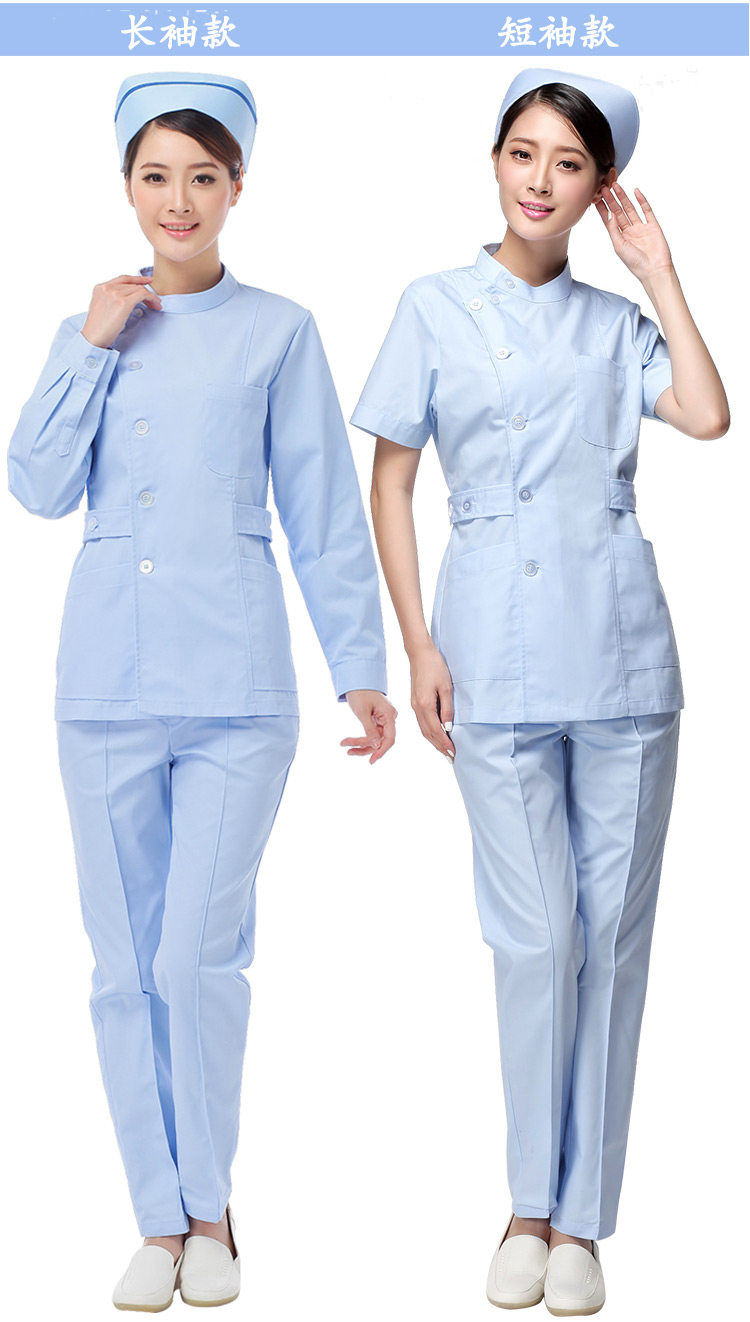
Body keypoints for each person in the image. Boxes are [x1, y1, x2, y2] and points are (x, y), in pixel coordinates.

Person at [7, 70, 396, 1312]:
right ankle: (156, 1220)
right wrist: (89, 344)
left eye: (202, 177)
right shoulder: (90, 328)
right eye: (155, 176)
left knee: (194, 956)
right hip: (104, 686)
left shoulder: (279, 330)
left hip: (236, 687)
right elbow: (36, 486)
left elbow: (323, 511)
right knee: (122, 966)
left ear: (238, 188)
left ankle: (211, 1207)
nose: (177, 200)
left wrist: (360, 667)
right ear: (126, 185)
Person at [350, 66, 728, 1316]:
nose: (540, 180)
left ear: (600, 185)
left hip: (622, 655)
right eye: (524, 152)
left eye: (570, 163)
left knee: (610, 939)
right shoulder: (433, 306)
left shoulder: (618, 324)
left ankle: (583, 1223)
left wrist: (659, 272)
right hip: (491, 654)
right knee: (535, 938)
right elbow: (392, 481)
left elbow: (707, 414)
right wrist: (417, 643)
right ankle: (526, 1202)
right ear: (495, 158)